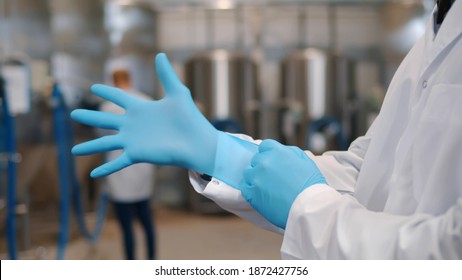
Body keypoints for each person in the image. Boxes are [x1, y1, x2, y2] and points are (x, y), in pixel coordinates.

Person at [71, 0, 461, 259]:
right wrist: (220, 154)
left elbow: (447, 248)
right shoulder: (435, 29)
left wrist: (309, 206)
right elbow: (370, 168)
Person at [98, 69, 157, 260]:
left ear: (113, 83)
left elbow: (101, 136)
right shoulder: (147, 101)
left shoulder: (107, 107)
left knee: (126, 226)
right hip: (143, 166)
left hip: (118, 169)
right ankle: (152, 262)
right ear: (130, 79)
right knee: (147, 221)